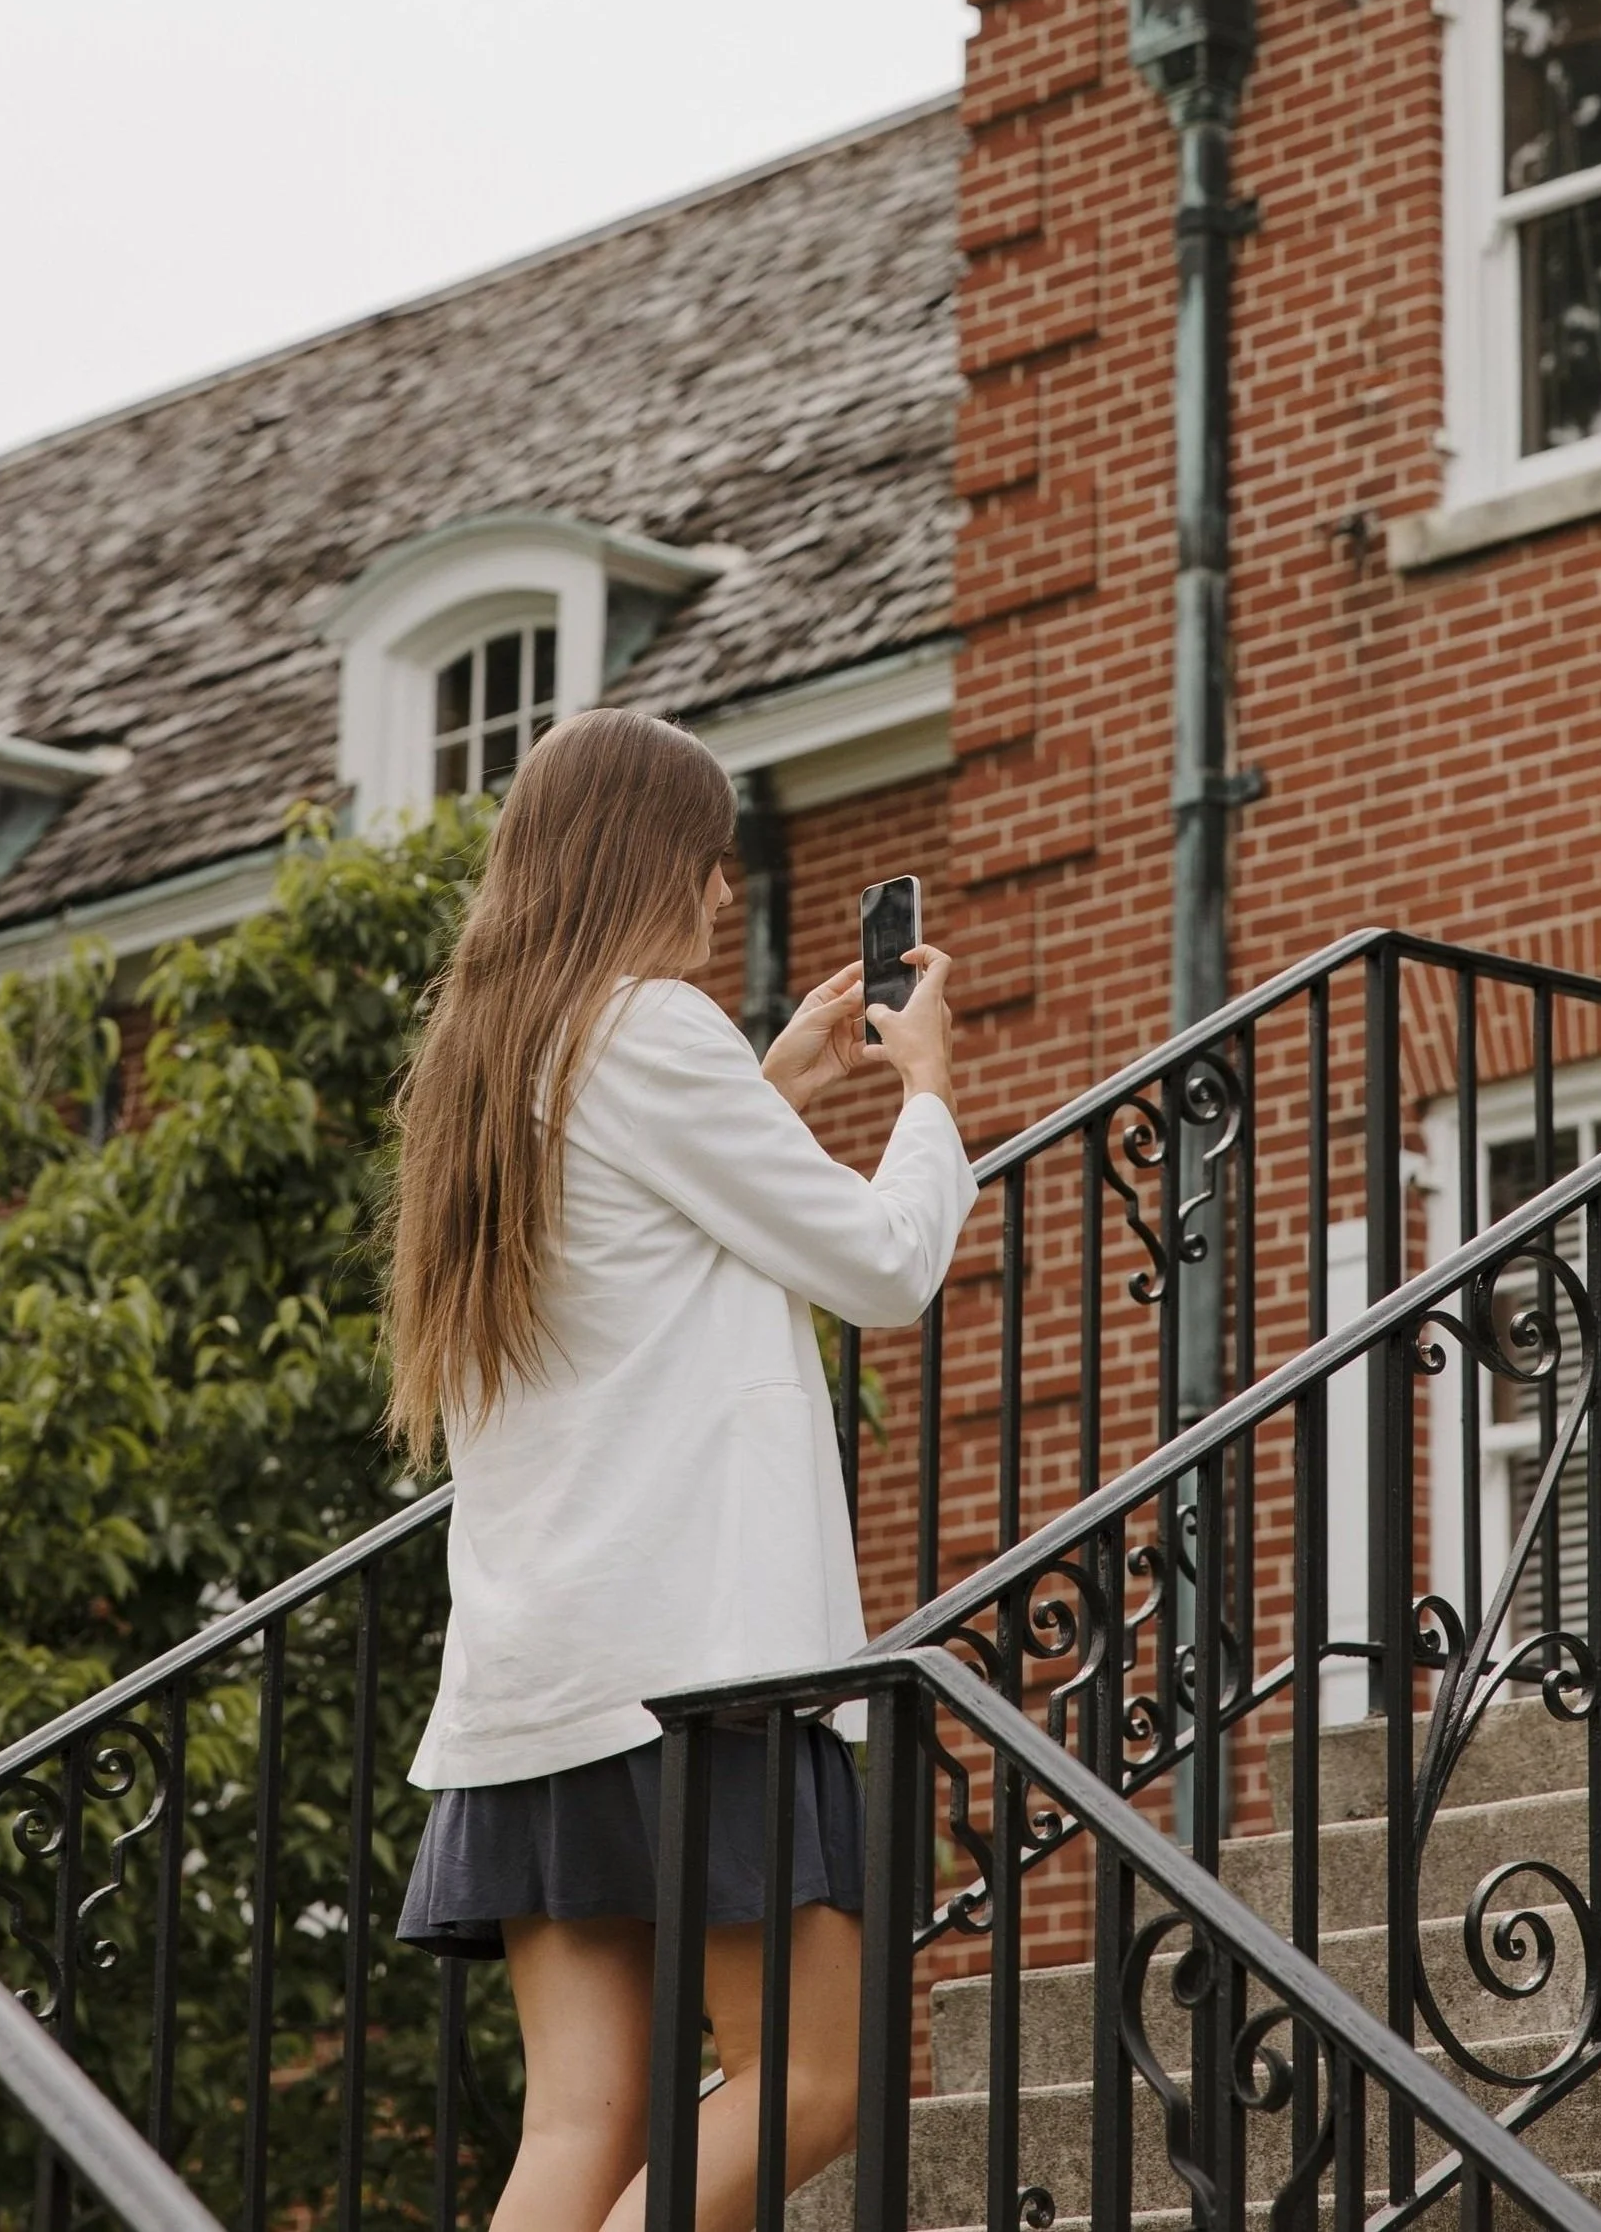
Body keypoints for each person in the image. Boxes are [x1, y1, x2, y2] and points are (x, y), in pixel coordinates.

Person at [386, 706, 974, 2232]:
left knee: (580, 2123)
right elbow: (880, 1267)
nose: (722, 896)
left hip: (541, 1676)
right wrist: (925, 1095)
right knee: (812, 2078)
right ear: (651, 860)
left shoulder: (488, 1064)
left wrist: (771, 1087)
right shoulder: (646, 1028)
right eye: (710, 863)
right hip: (694, 1667)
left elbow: (632, 1255)